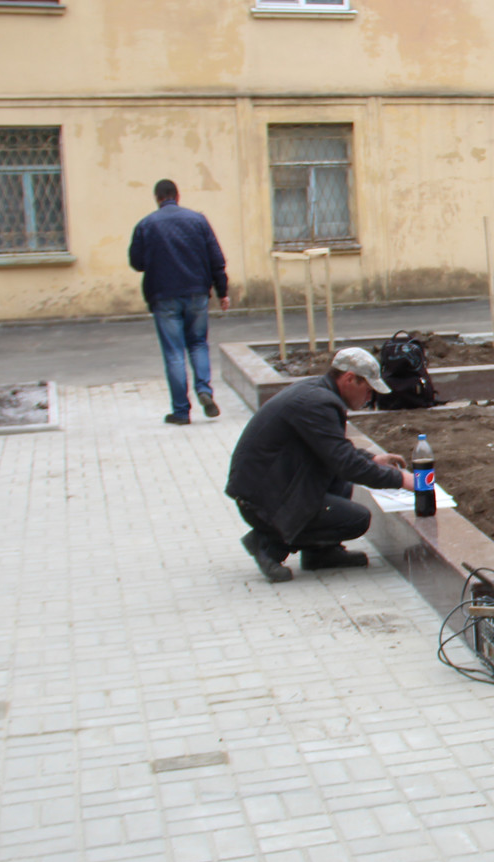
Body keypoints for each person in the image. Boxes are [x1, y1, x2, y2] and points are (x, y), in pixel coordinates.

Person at [225, 347, 415, 583]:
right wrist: (403, 480)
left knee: (338, 479)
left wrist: (372, 459)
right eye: (368, 391)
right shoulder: (318, 403)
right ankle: (268, 544)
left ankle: (321, 553)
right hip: (261, 501)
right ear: (349, 379)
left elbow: (332, 449)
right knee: (356, 519)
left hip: (269, 487)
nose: (369, 399)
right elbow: (347, 464)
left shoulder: (317, 393)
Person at [129, 179, 231, 425]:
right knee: (198, 344)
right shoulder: (198, 221)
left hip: (163, 296)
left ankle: (181, 411)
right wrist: (222, 291)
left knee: (174, 352)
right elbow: (216, 258)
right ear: (177, 195)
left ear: (157, 198)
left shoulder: (146, 224)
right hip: (197, 293)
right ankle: (204, 390)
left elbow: (137, 263)